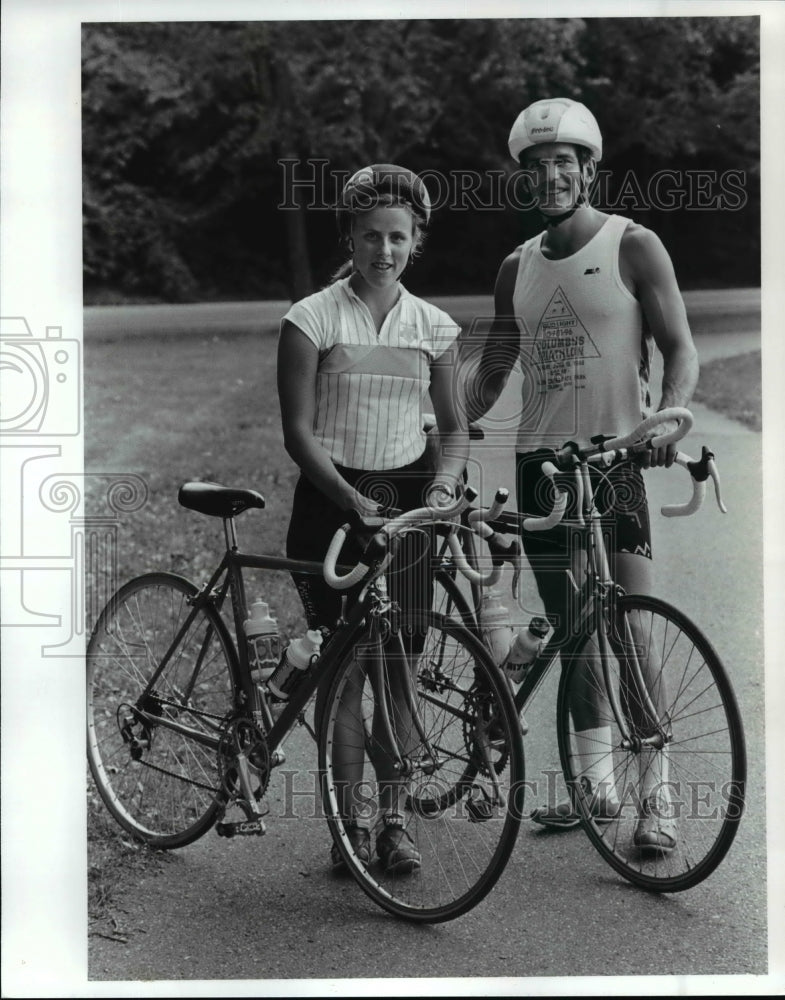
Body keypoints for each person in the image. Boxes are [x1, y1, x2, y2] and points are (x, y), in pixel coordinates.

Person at [465, 97, 699, 851]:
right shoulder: (515, 268)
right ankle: (595, 789)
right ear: (524, 179)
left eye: (564, 162)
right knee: (573, 629)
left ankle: (655, 799)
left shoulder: (634, 245)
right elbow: (494, 367)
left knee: (630, 623)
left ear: (589, 169)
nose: (551, 175)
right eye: (536, 166)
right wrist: (442, 422)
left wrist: (668, 414)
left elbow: (679, 347)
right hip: (541, 464)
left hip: (613, 462)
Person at [277, 163, 468, 873]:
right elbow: (298, 433)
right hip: (331, 502)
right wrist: (351, 499)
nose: (383, 250)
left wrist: (444, 483)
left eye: (396, 237)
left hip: (407, 505)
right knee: (344, 675)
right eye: (369, 237)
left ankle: (393, 823)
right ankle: (345, 828)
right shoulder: (311, 317)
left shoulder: (435, 327)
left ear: (414, 240)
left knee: (397, 667)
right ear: (349, 239)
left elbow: (452, 430)